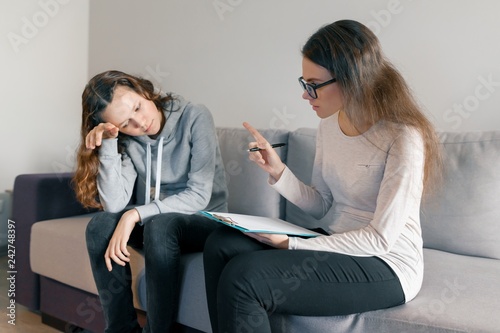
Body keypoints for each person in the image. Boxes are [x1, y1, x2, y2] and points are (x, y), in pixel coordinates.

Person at [203, 19, 442, 333]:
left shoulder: (402, 137)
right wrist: (279, 172)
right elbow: (324, 204)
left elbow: (380, 238)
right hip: (334, 240)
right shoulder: (329, 125)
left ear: (352, 78)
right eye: (304, 83)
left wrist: (292, 244)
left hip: (387, 263)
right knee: (221, 242)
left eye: (313, 84)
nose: (306, 95)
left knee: (246, 276)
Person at [73, 70, 228, 333]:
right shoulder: (128, 139)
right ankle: (121, 329)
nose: (140, 123)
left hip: (205, 222)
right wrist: (109, 143)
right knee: (99, 226)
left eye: (138, 107)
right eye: (125, 124)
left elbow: (200, 196)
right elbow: (113, 203)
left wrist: (133, 216)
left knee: (160, 225)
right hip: (158, 225)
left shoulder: (195, 116)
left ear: (143, 91)